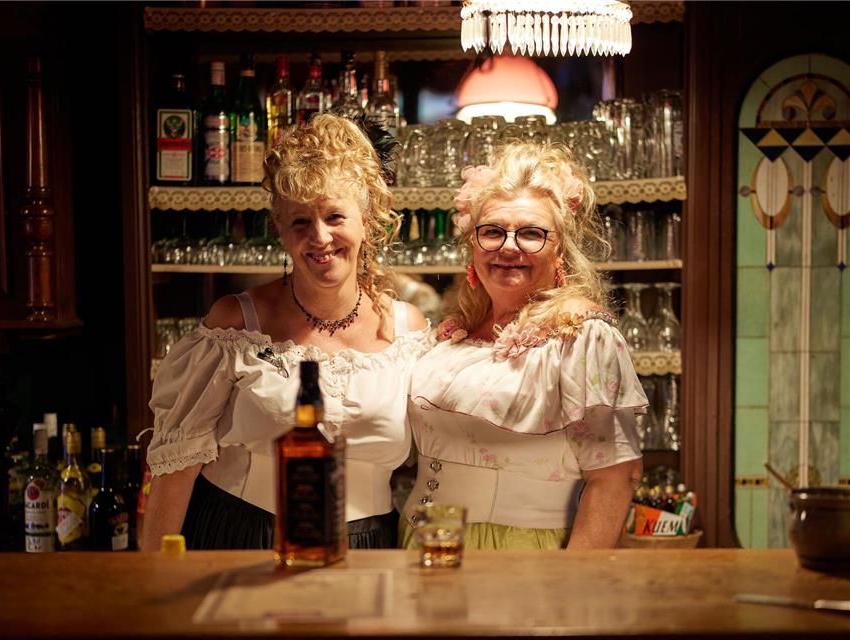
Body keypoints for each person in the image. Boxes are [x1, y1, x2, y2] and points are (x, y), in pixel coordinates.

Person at [143, 114, 429, 551]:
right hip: (242, 535)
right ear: (279, 230)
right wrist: (152, 581)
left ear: (367, 221)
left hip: (370, 546)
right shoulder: (235, 324)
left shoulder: (409, 331)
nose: (320, 237)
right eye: (300, 222)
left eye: (335, 216)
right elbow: (175, 464)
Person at [401, 143, 646, 550]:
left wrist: (575, 582)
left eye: (531, 233)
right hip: (423, 542)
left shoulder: (582, 337)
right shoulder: (453, 335)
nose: (509, 247)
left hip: (518, 550)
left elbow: (616, 476)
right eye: (493, 231)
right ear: (472, 248)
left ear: (560, 252)